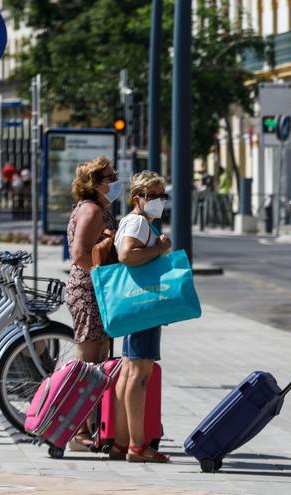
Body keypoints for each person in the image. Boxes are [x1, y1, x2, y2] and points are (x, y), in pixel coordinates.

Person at [109, 171, 172, 463]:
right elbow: (127, 255)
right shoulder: (137, 222)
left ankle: (122, 442)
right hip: (143, 303)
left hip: (136, 304)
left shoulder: (133, 222)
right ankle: (137, 445)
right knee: (139, 375)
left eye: (162, 195)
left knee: (128, 372)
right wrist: (159, 248)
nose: (160, 200)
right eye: (154, 195)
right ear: (138, 199)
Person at [65, 156, 120, 450]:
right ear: (95, 184)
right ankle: (77, 432)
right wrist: (107, 252)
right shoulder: (91, 210)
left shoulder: (96, 208)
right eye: (110, 178)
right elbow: (80, 255)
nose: (115, 182)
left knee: (97, 362)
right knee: (88, 363)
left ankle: (85, 428)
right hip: (89, 290)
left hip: (96, 290)